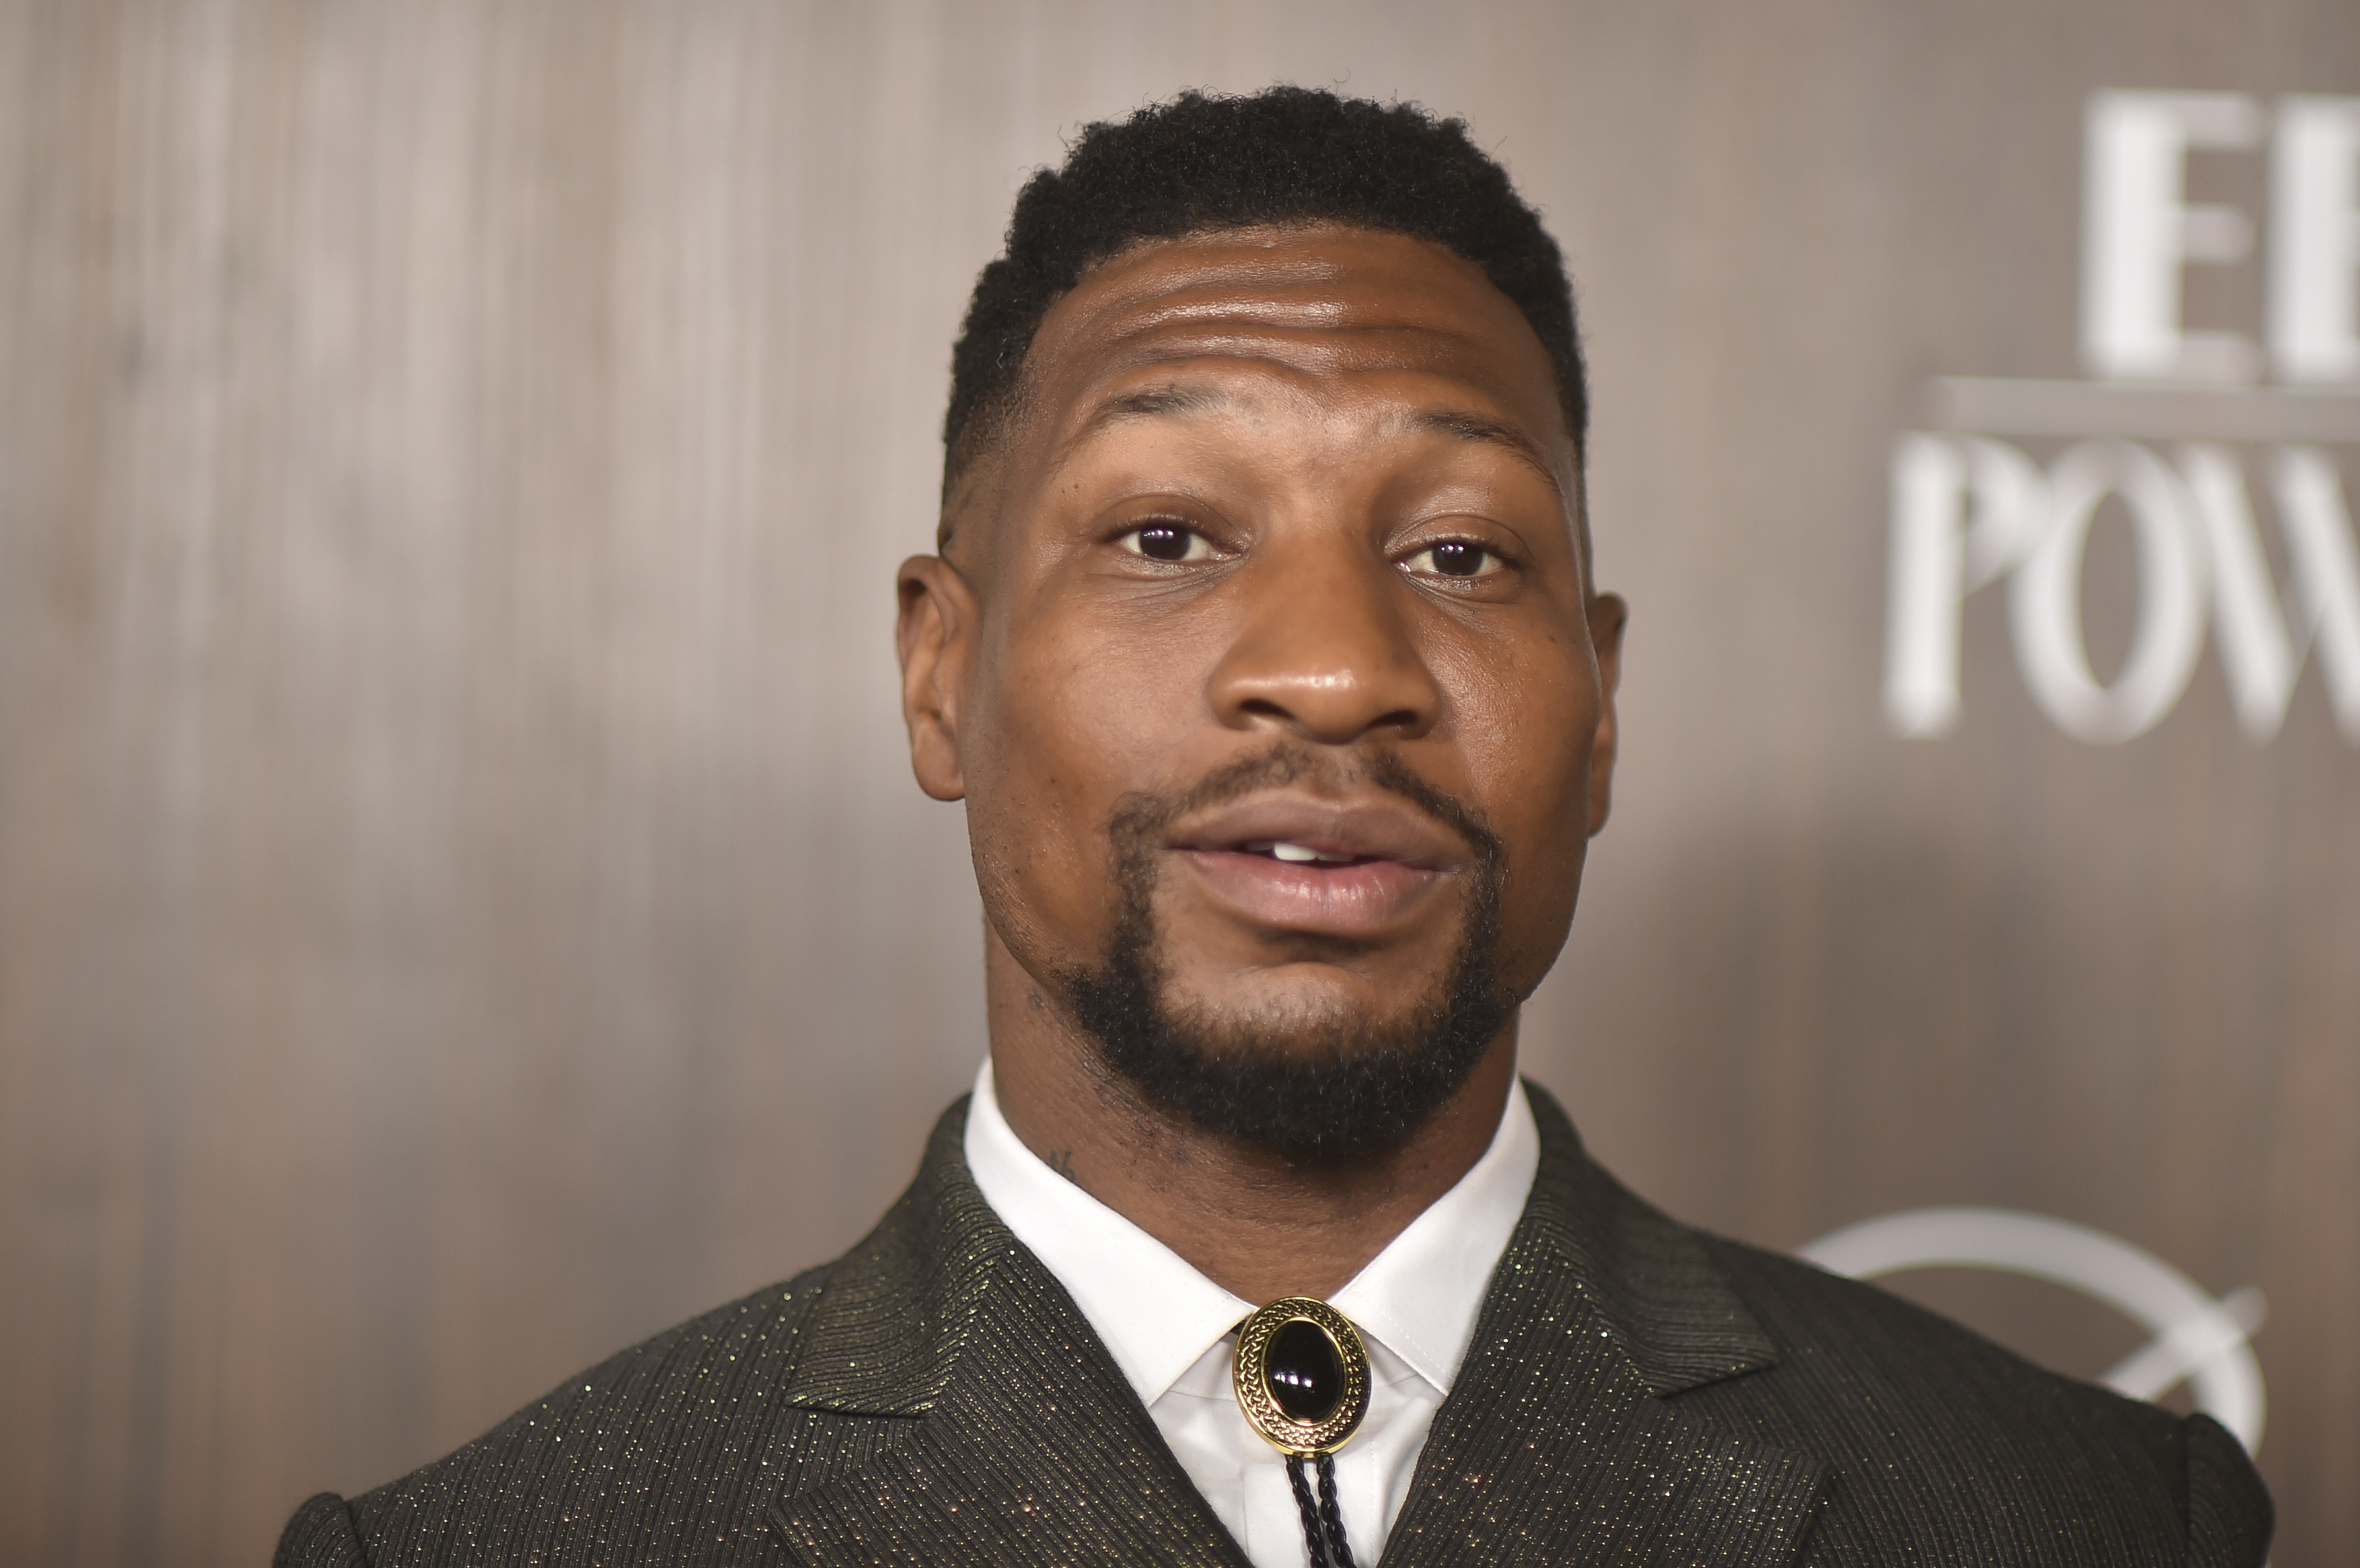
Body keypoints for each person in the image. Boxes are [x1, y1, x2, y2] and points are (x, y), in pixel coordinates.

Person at [276, 88, 2272, 1568]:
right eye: (1163, 537)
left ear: (1598, 710)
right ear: (935, 674)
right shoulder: (511, 1544)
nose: (1331, 670)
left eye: (1458, 551)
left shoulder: (2086, 1520)